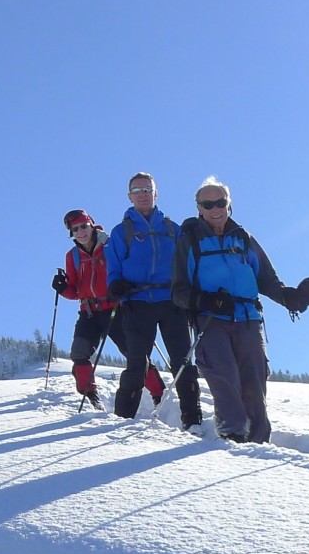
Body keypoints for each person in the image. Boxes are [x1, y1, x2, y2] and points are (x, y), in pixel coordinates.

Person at [170, 176, 309, 443]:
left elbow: (268, 280)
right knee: (224, 378)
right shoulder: (190, 242)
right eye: (208, 204)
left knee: (255, 384)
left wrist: (293, 298)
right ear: (199, 208)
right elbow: (178, 291)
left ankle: (259, 443)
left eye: (220, 202)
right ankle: (233, 436)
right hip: (211, 320)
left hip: (249, 319)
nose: (215, 209)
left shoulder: (243, 239)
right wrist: (205, 301)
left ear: (229, 204)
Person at [104, 172, 201, 427]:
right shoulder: (121, 232)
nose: (143, 195)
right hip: (137, 302)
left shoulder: (172, 229)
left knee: (182, 361)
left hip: (172, 302)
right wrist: (115, 284)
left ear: (156, 193)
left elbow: (188, 262)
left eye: (147, 190)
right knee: (137, 363)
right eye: (137, 191)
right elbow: (113, 266)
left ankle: (193, 419)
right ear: (130, 197)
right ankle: (122, 420)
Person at [49, 209, 126, 406]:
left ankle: (158, 394)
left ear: (92, 225)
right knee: (79, 353)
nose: (80, 232)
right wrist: (62, 288)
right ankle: (91, 396)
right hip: (89, 313)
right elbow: (75, 291)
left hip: (116, 308)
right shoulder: (73, 256)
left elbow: (127, 271)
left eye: (83, 226)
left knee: (135, 353)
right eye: (75, 229)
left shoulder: (111, 245)